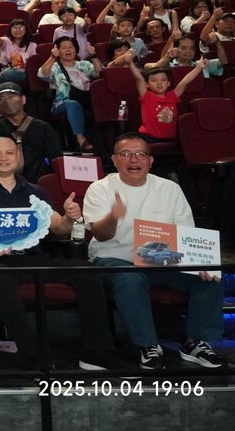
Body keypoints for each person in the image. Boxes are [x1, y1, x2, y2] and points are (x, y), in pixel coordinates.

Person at [0, 136, 124, 371]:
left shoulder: (34, 190)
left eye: (9, 153)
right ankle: (33, 355)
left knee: (85, 270)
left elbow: (58, 228)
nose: (4, 158)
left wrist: (68, 216)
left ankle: (96, 352)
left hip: (34, 258)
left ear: (18, 156)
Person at [83, 133, 229, 369]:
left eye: (140, 154)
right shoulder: (100, 188)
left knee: (209, 277)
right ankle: (148, 345)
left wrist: (200, 262)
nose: (133, 159)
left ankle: (196, 343)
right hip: (114, 259)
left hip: (163, 260)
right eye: (125, 154)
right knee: (130, 278)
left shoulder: (170, 189)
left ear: (150, 161)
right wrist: (113, 216)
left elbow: (185, 234)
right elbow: (101, 235)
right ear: (115, 160)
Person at [0, 82, 63, 183]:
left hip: (37, 183)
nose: (7, 101)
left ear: (23, 100)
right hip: (2, 183)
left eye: (11, 96)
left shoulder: (41, 127)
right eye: (1, 98)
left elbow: (56, 159)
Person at [37, 37, 102, 152]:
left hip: (86, 101)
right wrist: (52, 57)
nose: (68, 50)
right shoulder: (55, 67)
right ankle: (81, 140)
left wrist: (94, 56)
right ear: (58, 51)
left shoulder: (84, 65)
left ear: (76, 49)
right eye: (64, 48)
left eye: (70, 47)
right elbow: (42, 74)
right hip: (62, 104)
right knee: (72, 104)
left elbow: (99, 72)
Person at [129, 62, 204, 142]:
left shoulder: (172, 96)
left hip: (170, 138)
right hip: (148, 137)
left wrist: (199, 67)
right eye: (154, 80)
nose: (159, 83)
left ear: (168, 83)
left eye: (163, 80)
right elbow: (139, 79)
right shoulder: (146, 96)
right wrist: (130, 63)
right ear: (147, 84)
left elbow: (184, 82)